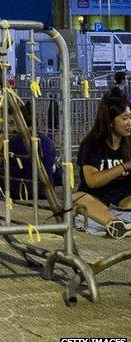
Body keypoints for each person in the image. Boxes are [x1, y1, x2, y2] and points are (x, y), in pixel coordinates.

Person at [73, 87, 131, 239]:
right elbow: (92, 181)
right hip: (96, 199)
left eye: (130, 117)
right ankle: (116, 224)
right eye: (124, 118)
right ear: (111, 122)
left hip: (123, 200)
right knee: (77, 198)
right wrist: (125, 166)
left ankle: (121, 224)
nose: (129, 122)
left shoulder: (129, 144)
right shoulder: (92, 144)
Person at [6, 101, 61, 199]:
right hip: (46, 192)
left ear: (17, 122)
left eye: (10, 123)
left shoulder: (12, 141)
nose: (9, 127)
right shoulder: (47, 141)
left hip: (20, 192)